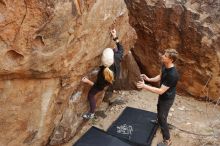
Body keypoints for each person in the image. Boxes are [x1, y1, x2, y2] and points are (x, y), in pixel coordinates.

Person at [136, 49, 179, 146]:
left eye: (165, 56)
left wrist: (144, 86)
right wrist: (149, 79)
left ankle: (167, 140)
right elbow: (160, 76)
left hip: (168, 98)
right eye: (164, 54)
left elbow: (160, 90)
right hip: (163, 96)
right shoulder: (165, 65)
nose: (163, 56)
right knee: (159, 108)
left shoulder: (173, 75)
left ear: (171, 59)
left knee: (162, 117)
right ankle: (159, 121)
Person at [81, 29, 124, 120]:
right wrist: (115, 36)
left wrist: (87, 81)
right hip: (115, 74)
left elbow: (98, 86)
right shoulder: (117, 57)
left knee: (91, 95)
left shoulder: (102, 75)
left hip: (107, 81)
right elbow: (121, 49)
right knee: (115, 49)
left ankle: (91, 113)